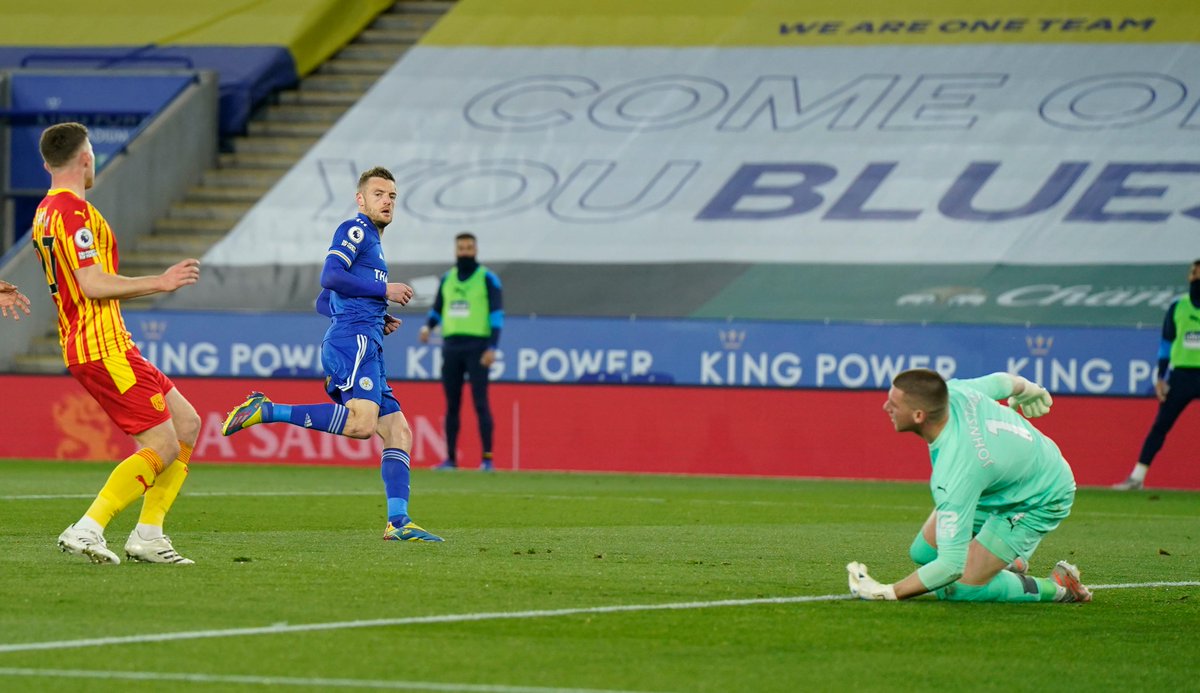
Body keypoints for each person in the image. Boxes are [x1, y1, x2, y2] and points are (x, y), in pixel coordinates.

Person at [221, 166, 442, 542]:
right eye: (378, 194)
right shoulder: (355, 230)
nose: (386, 201)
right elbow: (330, 277)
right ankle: (268, 410)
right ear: (361, 199)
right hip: (352, 341)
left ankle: (399, 522)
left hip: (365, 339)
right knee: (361, 425)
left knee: (398, 431)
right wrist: (382, 290)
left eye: (391, 196)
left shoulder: (373, 241)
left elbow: (325, 301)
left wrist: (376, 312)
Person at [34, 122, 201, 565]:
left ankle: (148, 534)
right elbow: (90, 283)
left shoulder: (44, 212)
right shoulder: (73, 213)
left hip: (108, 342)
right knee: (163, 445)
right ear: (86, 158)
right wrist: (161, 282)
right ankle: (89, 527)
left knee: (186, 424)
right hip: (99, 344)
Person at [845, 368, 1093, 603]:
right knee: (923, 553)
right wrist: (1028, 389)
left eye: (894, 405)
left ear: (919, 416)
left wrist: (887, 591)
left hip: (1040, 496)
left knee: (958, 588)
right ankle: (1003, 559)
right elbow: (1003, 382)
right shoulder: (955, 392)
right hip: (1005, 480)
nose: (885, 407)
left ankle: (1059, 588)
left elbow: (951, 566)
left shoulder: (956, 470)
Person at [419, 232, 503, 471]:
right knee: (452, 405)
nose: (465, 251)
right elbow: (437, 310)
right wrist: (427, 328)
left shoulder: (488, 278)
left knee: (480, 403)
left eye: (469, 247)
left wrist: (493, 347)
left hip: (477, 347)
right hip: (451, 347)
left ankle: (487, 459)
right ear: (456, 251)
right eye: (461, 248)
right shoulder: (448, 279)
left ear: (475, 250)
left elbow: (497, 316)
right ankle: (451, 460)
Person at [1114, 259, 1200, 490]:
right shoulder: (1179, 306)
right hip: (1181, 375)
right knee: (1161, 426)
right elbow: (1166, 343)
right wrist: (1160, 377)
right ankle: (1137, 478)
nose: (1196, 275)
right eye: (1194, 271)